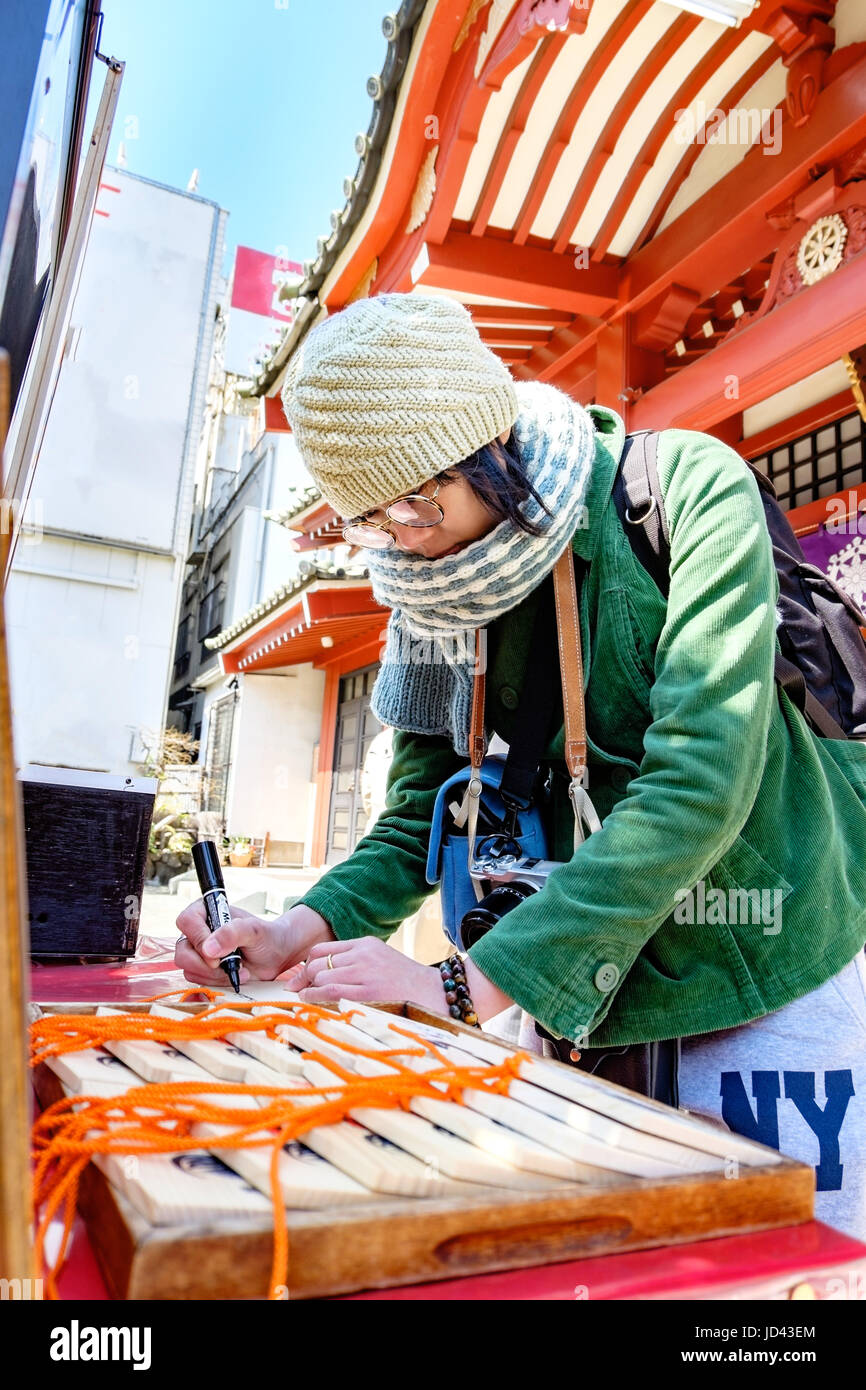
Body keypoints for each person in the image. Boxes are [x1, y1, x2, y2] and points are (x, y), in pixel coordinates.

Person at [176, 292, 866, 1238]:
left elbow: (699, 784)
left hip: (755, 964)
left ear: (488, 449)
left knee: (770, 1289)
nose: (406, 541)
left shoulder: (691, 488)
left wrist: (462, 985)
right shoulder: (424, 588)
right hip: (551, 995)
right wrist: (302, 925)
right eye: (373, 524)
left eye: (419, 503)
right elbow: (426, 815)